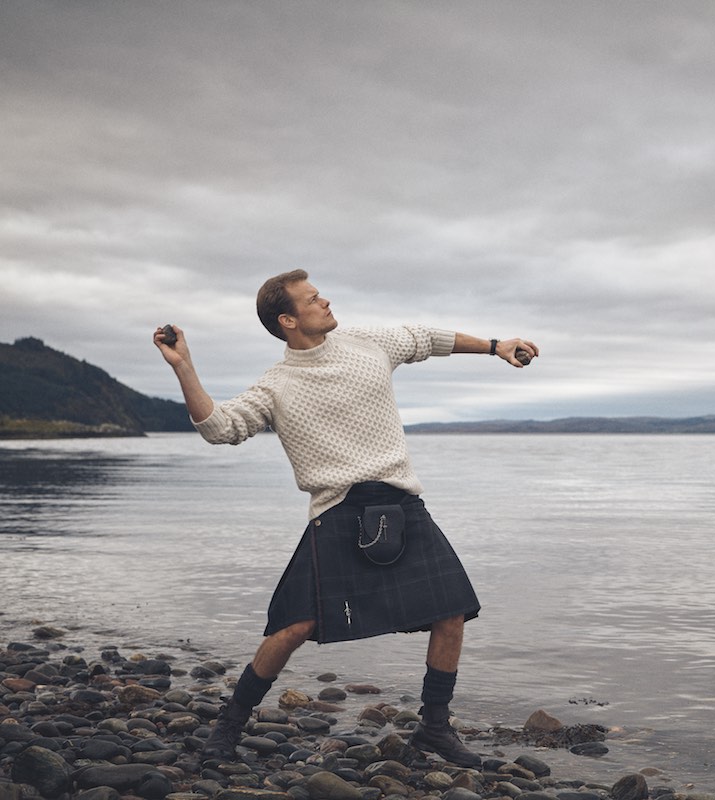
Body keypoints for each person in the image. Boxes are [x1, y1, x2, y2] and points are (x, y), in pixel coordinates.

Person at [153, 269, 538, 768]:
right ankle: (228, 727)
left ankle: (434, 729)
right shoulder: (276, 385)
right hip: (337, 510)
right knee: (293, 627)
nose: (326, 301)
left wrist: (494, 345)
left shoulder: (367, 342)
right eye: (313, 299)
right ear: (288, 319)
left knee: (451, 610)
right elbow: (220, 428)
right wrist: (184, 366)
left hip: (400, 503)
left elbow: (427, 338)